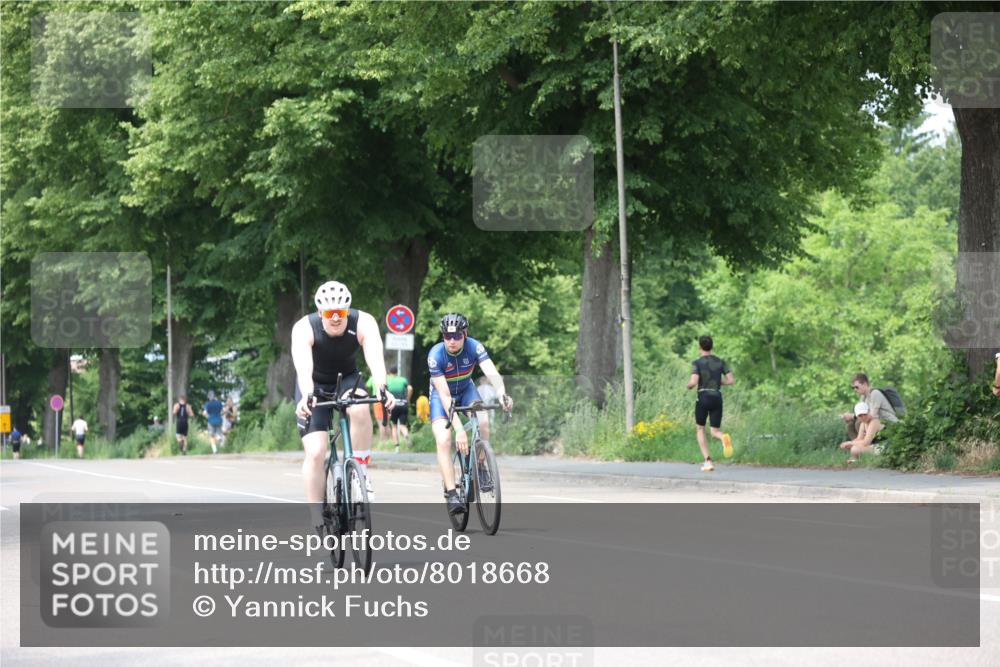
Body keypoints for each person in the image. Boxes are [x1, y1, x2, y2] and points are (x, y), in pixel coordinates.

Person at [292, 281, 394, 527]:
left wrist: (383, 389)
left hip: (348, 379)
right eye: (329, 313)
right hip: (314, 385)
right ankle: (316, 515)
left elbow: (375, 359)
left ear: (348, 310)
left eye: (341, 312)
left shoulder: (364, 322)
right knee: (316, 452)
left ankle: (360, 474)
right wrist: (307, 394)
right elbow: (304, 367)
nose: (336, 318)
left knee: (360, 408)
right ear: (320, 312)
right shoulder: (304, 328)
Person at [428, 313, 512, 515]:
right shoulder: (435, 355)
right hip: (442, 397)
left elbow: (491, 372)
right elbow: (446, 397)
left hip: (466, 390)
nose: (452, 341)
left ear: (464, 334)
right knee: (444, 439)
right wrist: (459, 430)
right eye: (447, 337)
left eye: (456, 336)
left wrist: (502, 394)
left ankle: (482, 467)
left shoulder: (474, 346)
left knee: (482, 422)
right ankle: (451, 493)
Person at [686, 335, 735, 472]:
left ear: (700, 347)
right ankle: (723, 437)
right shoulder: (720, 362)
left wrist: (688, 386)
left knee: (700, 429)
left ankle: (708, 461)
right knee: (715, 431)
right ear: (711, 346)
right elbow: (731, 380)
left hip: (703, 396)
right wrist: (719, 382)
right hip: (716, 397)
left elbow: (694, 381)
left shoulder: (697, 363)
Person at [840, 373, 898, 439]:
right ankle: (859, 445)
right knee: (850, 425)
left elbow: (872, 416)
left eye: (856, 387)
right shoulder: (863, 397)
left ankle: (867, 444)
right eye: (853, 388)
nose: (855, 390)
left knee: (859, 423)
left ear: (865, 384)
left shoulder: (875, 393)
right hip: (878, 424)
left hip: (889, 424)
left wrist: (853, 416)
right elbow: (862, 415)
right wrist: (849, 418)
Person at [386, 366, 413, 452]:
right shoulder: (403, 379)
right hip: (403, 403)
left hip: (393, 404)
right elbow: (410, 388)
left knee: (394, 426)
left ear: (390, 372)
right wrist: (408, 399)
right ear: (397, 372)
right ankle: (406, 435)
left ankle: (397, 447)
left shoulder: (388, 380)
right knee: (402, 425)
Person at [366, 376, 391, 442]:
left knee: (381, 423)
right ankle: (390, 442)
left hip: (377, 400)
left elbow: (366, 386)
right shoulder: (385, 377)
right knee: (387, 423)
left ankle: (382, 441)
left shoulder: (372, 377)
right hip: (386, 400)